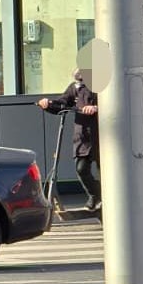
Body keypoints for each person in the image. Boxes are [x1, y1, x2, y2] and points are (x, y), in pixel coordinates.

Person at [37, 69, 101, 211]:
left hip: (102, 135)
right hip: (83, 136)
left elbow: (113, 103)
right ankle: (96, 194)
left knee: (105, 170)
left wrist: (96, 107)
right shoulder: (75, 88)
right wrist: (48, 104)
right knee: (81, 169)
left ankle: (103, 197)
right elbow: (63, 103)